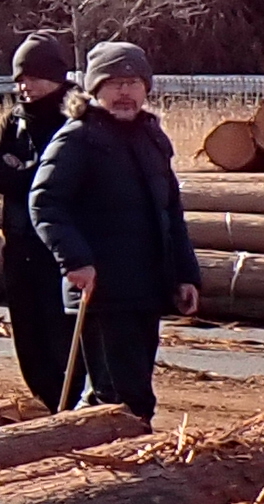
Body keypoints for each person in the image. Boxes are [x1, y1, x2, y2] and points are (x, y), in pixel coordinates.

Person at [28, 38, 203, 424]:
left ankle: (106, 448)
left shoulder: (152, 138)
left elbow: (170, 213)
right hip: (102, 291)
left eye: (133, 82)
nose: (125, 92)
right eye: (114, 83)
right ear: (95, 89)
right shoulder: (77, 138)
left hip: (145, 287)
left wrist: (185, 275)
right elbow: (44, 203)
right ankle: (104, 454)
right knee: (117, 396)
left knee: (131, 391)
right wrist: (74, 260)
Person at [0, 32, 80, 406]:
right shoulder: (13, 121)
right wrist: (32, 171)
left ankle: (71, 404)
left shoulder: (76, 119)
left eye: (33, 77)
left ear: (55, 75)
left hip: (59, 250)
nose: (25, 86)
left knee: (62, 334)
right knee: (28, 335)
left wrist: (24, 171)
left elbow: (61, 180)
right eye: (20, 79)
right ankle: (44, 402)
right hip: (19, 242)